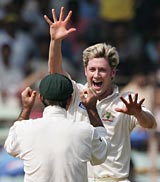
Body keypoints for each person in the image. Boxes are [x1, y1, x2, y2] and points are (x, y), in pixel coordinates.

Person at [44, 7, 157, 182]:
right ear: (85, 71)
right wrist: (55, 42)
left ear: (113, 73)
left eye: (102, 70)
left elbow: (150, 123)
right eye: (92, 69)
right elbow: (55, 75)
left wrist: (138, 113)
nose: (96, 75)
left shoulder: (125, 102)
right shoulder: (76, 93)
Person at [4, 73, 110, 182]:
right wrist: (92, 109)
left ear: (40, 98)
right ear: (69, 100)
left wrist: (26, 108)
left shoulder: (25, 129)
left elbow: (10, 146)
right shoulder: (85, 131)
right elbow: (101, 154)